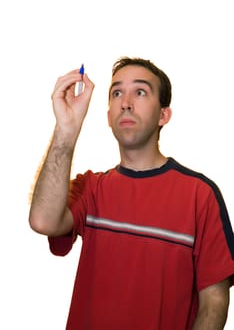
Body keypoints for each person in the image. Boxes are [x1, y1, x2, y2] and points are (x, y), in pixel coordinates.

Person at [29, 57, 234, 330]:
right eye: (116, 93)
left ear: (163, 115)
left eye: (140, 92)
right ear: (109, 116)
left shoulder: (201, 195)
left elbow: (214, 301)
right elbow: (43, 221)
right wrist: (67, 129)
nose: (125, 102)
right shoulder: (90, 189)